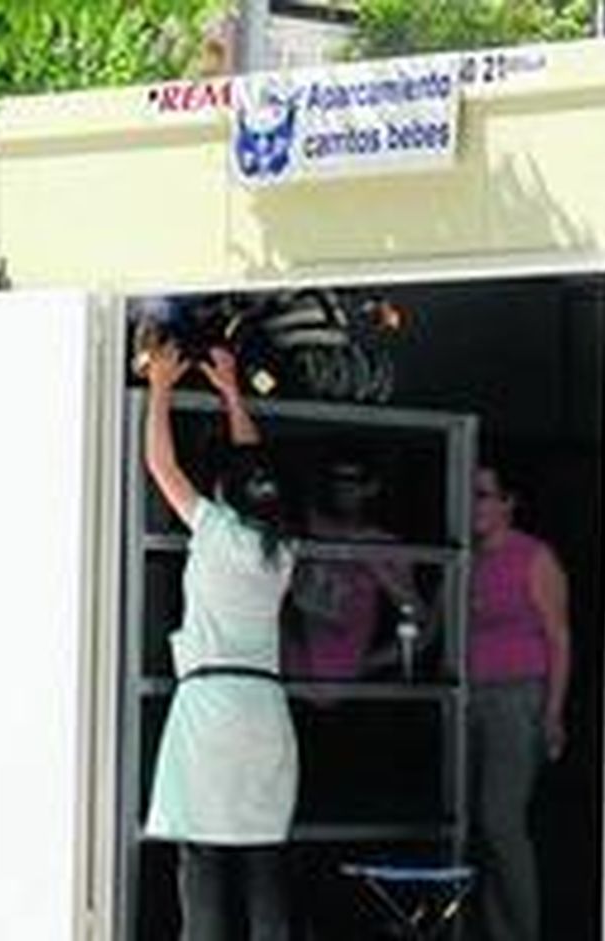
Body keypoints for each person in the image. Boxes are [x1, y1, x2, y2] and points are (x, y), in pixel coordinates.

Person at [141, 343, 298, 941]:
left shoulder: (213, 529)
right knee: (265, 871)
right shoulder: (282, 549)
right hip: (266, 713)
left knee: (203, 868)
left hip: (210, 711)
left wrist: (158, 388)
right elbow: (255, 467)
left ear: (226, 490)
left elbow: (163, 466)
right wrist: (233, 390)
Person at [467, 465, 571, 941]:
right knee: (478, 827)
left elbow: (559, 637)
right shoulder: (464, 558)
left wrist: (552, 713)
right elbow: (430, 628)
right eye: (468, 495)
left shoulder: (534, 556)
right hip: (466, 696)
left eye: (484, 495)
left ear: (509, 502)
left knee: (501, 821)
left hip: (516, 696)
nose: (474, 504)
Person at [283, 459, 425, 681]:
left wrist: (371, 560)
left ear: (371, 487)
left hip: (349, 683)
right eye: (335, 480)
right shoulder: (305, 530)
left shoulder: (383, 543)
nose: (343, 488)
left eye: (353, 481)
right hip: (291, 677)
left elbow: (414, 610)